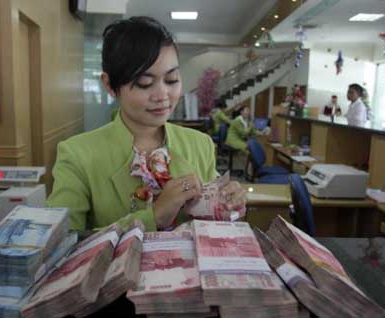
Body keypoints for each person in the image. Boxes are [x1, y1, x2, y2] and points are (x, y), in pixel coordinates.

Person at [47, 16, 246, 233]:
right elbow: (61, 243)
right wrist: (152, 217)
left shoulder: (200, 144)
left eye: (172, 80)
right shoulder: (78, 154)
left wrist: (226, 203)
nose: (163, 95)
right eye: (144, 83)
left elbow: (209, 226)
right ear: (110, 85)